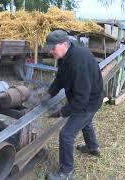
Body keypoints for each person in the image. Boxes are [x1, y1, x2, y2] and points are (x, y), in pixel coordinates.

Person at [41, 30, 104, 180]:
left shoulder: (78, 61)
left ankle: (67, 172)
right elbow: (60, 78)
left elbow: (82, 99)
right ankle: (92, 147)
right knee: (85, 123)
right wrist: (49, 93)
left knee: (66, 134)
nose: (50, 51)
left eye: (53, 48)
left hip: (89, 101)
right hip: (85, 99)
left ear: (64, 44)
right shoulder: (66, 55)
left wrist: (62, 111)